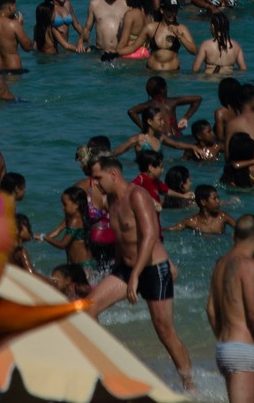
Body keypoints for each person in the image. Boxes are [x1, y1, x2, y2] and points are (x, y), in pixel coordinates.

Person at [86, 157, 194, 389]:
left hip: (153, 269)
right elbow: (122, 239)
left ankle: (190, 384)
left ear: (113, 175)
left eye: (98, 178)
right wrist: (118, 270)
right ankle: (107, 369)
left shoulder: (137, 195)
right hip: (126, 269)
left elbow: (150, 234)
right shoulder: (110, 201)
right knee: (87, 308)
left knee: (165, 332)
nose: (95, 183)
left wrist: (135, 276)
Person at [206, 214, 254, 403]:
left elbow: (210, 310)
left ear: (235, 236)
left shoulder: (221, 264)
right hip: (243, 349)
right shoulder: (249, 265)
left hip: (224, 347)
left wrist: (225, 340)